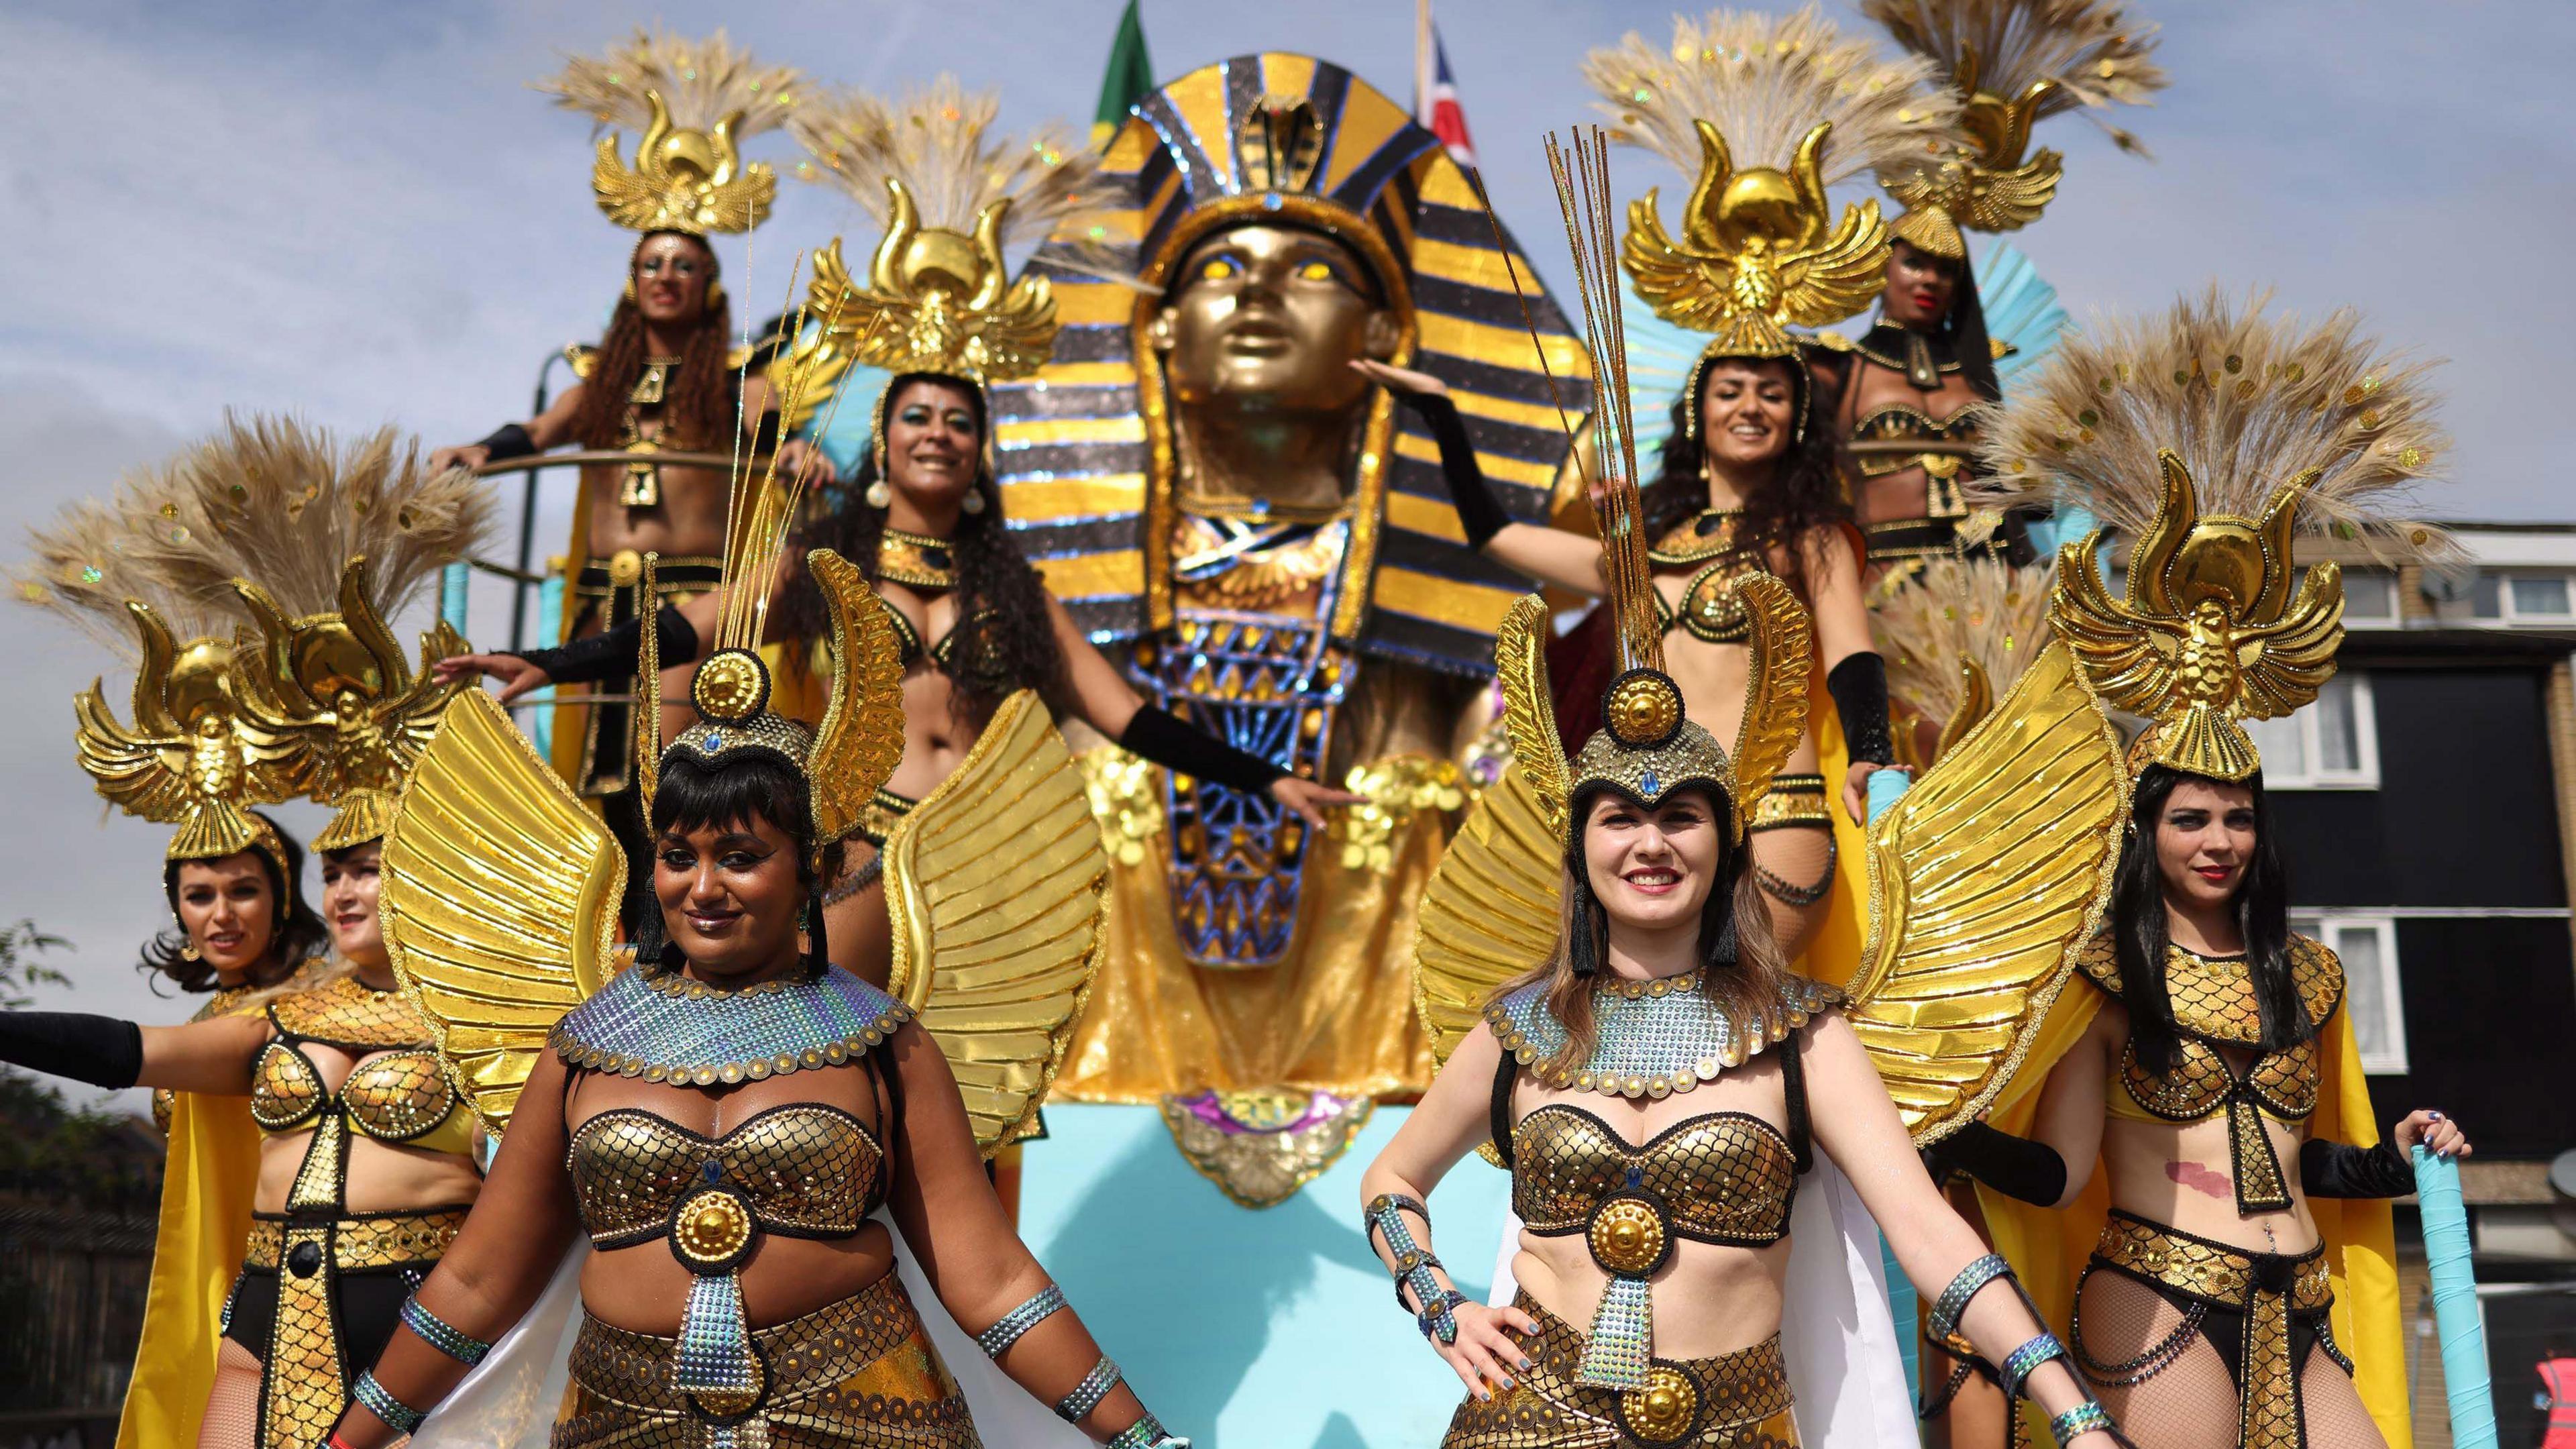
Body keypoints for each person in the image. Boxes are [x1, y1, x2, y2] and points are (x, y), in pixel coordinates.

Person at [327, 443, 1185, 1447]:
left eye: (740, 856)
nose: (702, 887)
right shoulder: (586, 1041)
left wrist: (1137, 1438)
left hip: (868, 1422)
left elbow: (988, 1277)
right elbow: (478, 1280)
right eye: (678, 856)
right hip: (625, 1426)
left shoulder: (882, 1040)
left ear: (814, 871)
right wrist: (352, 1442)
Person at [431, 78, 1356, 995]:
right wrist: (548, 664)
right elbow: (688, 627)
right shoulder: (830, 563)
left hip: (982, 851)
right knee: (853, 1065)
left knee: (984, 1108)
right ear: (886, 441)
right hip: (858, 845)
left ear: (981, 455)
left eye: (959, 423)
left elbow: (1129, 716)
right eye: (917, 416)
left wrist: (1264, 780)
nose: (937, 434)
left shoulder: (1012, 587)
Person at [1358, 377, 2123, 1446]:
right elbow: (1392, 1178)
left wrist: (2074, 1410)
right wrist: (1439, 1303)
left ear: (1723, 847)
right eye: (1619, 819)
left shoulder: (1806, 1033)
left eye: (1680, 819)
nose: (1651, 843)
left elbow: (1928, 1237)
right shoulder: (1521, 1027)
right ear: (1581, 851)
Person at [1942, 290, 2459, 1448]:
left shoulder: (2310, 978)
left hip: (2303, 1302)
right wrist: (1936, 1124)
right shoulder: (2108, 979)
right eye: (2190, 821)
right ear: (2149, 834)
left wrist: (2402, 1151)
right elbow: (2057, 1171)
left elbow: (2310, 1156)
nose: (2218, 841)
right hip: (2159, 1303)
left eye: (2236, 819)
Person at [1375, 9, 1957, 972]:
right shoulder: (1649, 544)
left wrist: (1868, 753)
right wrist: (1442, 421)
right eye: (1731, 390)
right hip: (1652, 807)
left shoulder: (1810, 537)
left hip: (1774, 801)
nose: (1752, 407)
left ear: (1798, 417)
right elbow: (1499, 540)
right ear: (1698, 411)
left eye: (1773, 393)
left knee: (1752, 1013)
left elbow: (1853, 655)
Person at [3, 417, 493, 1449]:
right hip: (269, 1308)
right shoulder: (284, 1016)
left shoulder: (485, 1010)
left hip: (420, 1324)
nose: (353, 889)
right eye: (340, 868)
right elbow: (132, 1054)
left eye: (377, 869)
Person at [426, 29, 828, 899]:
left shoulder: (732, 371)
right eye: (652, 262)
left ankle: (672, 918)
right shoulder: (597, 374)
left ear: (708, 283)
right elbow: (540, 432)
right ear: (631, 278)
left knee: (676, 753)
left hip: (692, 589)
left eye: (684, 263)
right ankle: (611, 924)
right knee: (601, 765)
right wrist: (478, 451)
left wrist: (798, 452)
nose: (666, 275)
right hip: (605, 587)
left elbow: (774, 435)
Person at [1807, 0, 2164, 597]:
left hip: (1988, 594)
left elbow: (2050, 501)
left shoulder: (1993, 373)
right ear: (1880, 266)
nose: (1929, 280)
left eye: (1946, 269)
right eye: (1914, 262)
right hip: (1874, 594)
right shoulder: (1834, 369)